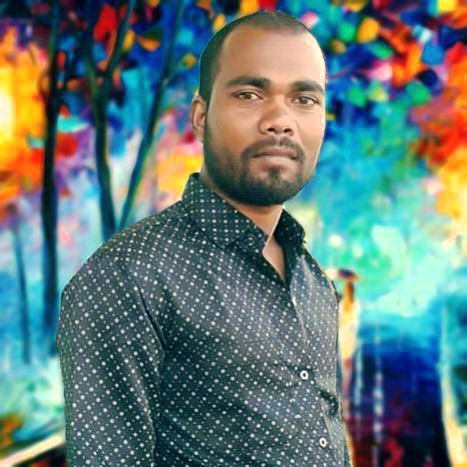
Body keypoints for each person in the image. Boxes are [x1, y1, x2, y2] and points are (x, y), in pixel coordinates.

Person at [56, 9, 352, 467]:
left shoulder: (312, 280)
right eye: (250, 94)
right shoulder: (127, 277)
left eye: (304, 99)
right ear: (201, 116)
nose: (280, 120)